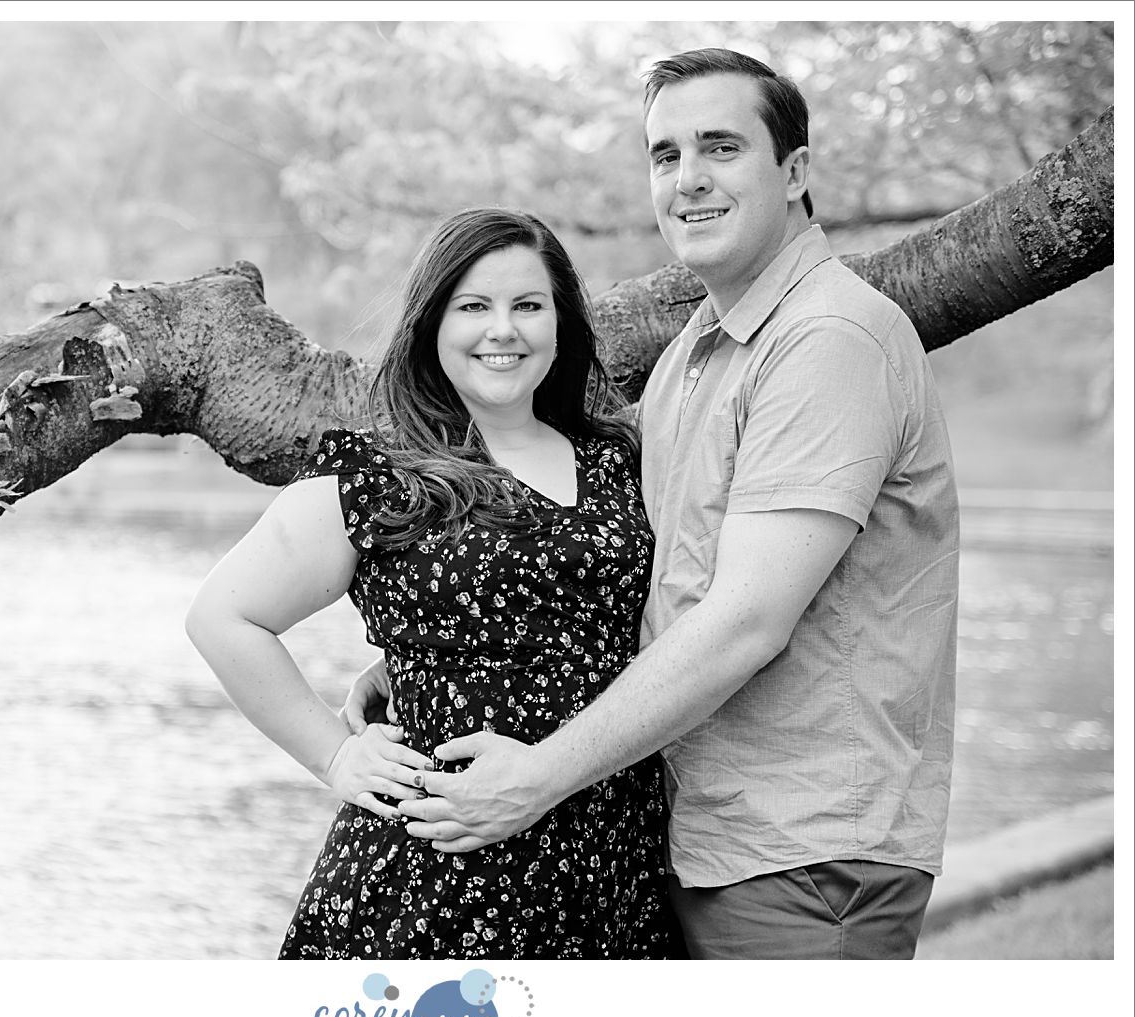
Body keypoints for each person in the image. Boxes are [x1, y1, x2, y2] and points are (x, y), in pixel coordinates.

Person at [356, 48, 961, 960]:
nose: (688, 181)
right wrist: (449, 657)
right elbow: (642, 574)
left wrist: (537, 777)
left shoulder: (827, 339)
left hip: (802, 854)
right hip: (693, 835)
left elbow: (744, 619)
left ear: (795, 172)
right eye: (665, 155)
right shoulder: (696, 352)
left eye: (719, 147)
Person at [185, 207, 681, 959]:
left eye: (527, 305)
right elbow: (223, 617)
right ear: (431, 323)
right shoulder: (382, 475)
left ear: (560, 320)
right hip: (434, 876)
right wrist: (334, 755)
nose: (502, 330)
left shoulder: (618, 457)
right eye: (473, 306)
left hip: (610, 859)